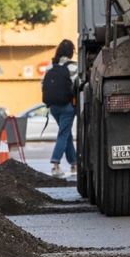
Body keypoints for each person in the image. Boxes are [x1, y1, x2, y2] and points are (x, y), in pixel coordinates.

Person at [39, 40, 81, 177]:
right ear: (71, 52)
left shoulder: (50, 66)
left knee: (66, 134)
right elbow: (77, 86)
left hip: (53, 108)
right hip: (67, 107)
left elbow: (42, 85)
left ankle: (74, 164)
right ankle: (55, 165)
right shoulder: (74, 67)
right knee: (63, 134)